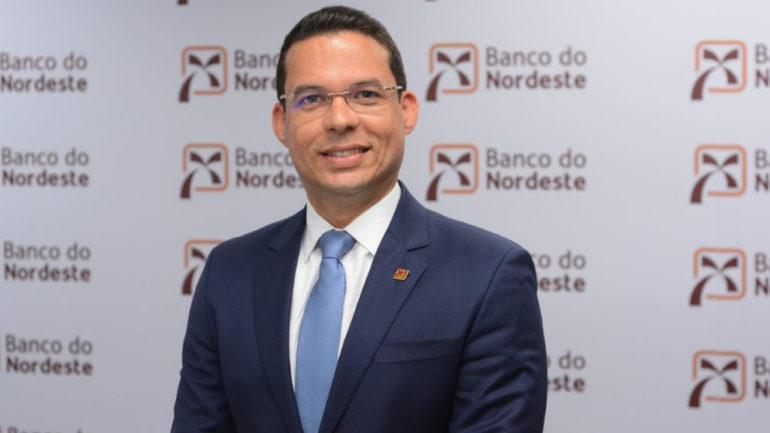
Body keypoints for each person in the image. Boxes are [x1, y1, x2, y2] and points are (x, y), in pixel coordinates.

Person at [171, 6, 547, 433]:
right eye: (312, 99)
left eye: (365, 95)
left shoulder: (487, 275)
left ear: (406, 110)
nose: (340, 119)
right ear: (282, 123)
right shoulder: (228, 274)